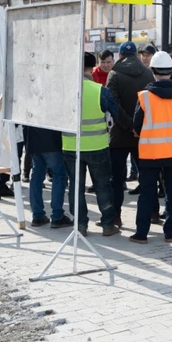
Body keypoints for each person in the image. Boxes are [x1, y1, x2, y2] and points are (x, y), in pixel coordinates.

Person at [130, 52, 172, 244]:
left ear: (153, 71)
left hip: (151, 154)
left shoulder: (145, 97)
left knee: (147, 194)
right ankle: (170, 233)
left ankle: (141, 234)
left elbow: (136, 125)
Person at [63, 51, 120, 237]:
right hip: (97, 146)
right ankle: (107, 225)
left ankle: (80, 225)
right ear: (92, 67)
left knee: (75, 186)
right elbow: (116, 115)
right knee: (103, 186)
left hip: (71, 146)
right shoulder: (101, 91)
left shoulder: (66, 92)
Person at [106, 41, 154, 223]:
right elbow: (150, 103)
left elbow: (113, 104)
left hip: (119, 134)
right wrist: (138, 126)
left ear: (119, 56)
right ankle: (153, 212)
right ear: (135, 55)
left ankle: (116, 216)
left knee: (117, 179)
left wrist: (128, 125)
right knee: (147, 175)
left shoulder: (115, 74)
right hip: (143, 133)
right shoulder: (148, 73)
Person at [24, 125, 72, 228]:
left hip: (34, 140)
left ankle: (37, 215)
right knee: (59, 176)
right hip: (52, 140)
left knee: (36, 176)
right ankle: (57, 215)